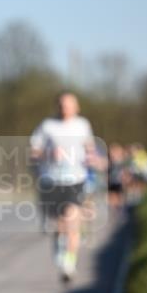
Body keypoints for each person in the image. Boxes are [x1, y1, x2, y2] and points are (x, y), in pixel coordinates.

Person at [29, 93, 97, 282]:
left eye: (68, 105)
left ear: (77, 107)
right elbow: (34, 152)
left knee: (72, 218)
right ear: (56, 106)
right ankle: (60, 247)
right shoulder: (47, 126)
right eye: (61, 104)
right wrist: (49, 153)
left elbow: (89, 147)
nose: (64, 108)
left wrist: (92, 159)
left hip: (75, 179)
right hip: (52, 180)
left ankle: (69, 262)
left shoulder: (83, 125)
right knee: (59, 224)